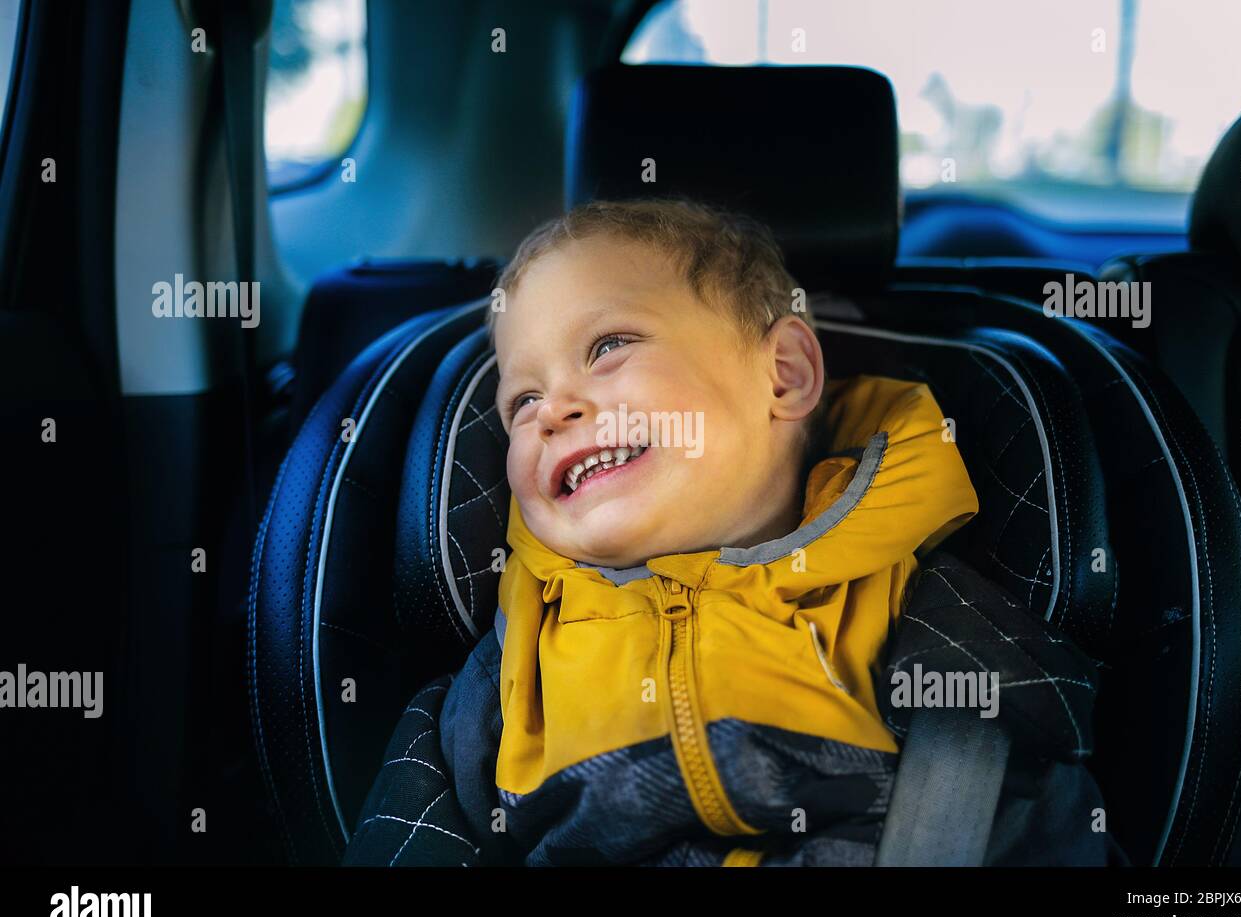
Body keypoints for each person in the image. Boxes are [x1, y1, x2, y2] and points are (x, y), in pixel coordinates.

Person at [343, 197, 1125, 866]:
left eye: (609, 346)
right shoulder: (507, 673)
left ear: (783, 373)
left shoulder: (928, 613)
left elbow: (1038, 808)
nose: (553, 410)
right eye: (521, 401)